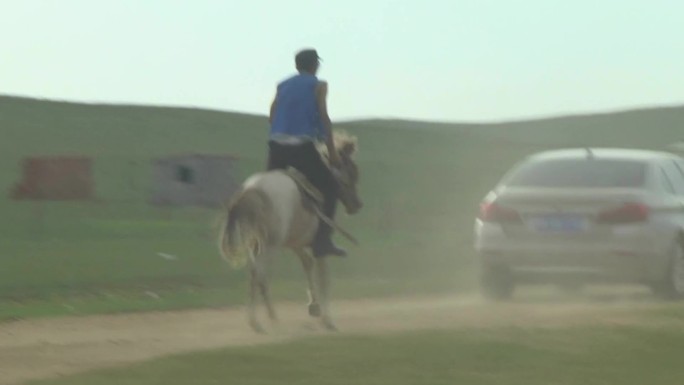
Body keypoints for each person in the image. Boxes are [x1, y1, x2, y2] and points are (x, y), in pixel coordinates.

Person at [266, 48, 346, 258]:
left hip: (276, 147)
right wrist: (332, 152)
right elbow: (323, 115)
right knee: (330, 187)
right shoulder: (320, 85)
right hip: (301, 148)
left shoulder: (282, 85)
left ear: (297, 65)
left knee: (267, 193)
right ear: (315, 65)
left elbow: (272, 115)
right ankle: (322, 242)